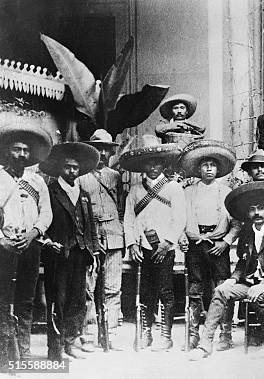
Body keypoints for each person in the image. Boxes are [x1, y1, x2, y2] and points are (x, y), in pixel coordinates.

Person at [188, 181, 264, 360]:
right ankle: (205, 344)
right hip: (251, 282)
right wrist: (233, 278)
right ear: (248, 213)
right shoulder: (247, 231)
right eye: (252, 209)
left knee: (257, 295)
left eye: (261, 208)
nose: (257, 213)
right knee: (220, 291)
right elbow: (242, 262)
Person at [121, 138, 186, 351]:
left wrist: (167, 243)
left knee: (165, 291)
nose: (153, 167)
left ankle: (166, 335)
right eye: (148, 163)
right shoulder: (135, 190)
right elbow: (129, 220)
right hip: (143, 249)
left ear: (163, 165)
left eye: (157, 163)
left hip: (165, 248)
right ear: (143, 166)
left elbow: (180, 218)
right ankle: (146, 332)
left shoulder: (174, 188)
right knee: (146, 291)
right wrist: (132, 245)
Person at [39, 142, 102, 361]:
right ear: (59, 168)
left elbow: (90, 226)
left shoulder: (83, 194)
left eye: (75, 167)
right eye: (67, 167)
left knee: (77, 300)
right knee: (57, 299)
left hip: (80, 254)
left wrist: (93, 251)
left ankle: (71, 341)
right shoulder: (50, 191)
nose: (72, 171)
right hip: (57, 254)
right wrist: (47, 242)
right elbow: (42, 220)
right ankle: (55, 349)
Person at [179, 139, 241, 350]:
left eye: (212, 165)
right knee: (195, 288)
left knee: (224, 287)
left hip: (218, 246)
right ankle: (193, 334)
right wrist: (184, 237)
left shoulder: (226, 193)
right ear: (198, 168)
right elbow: (179, 220)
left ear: (218, 169)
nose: (208, 169)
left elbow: (236, 224)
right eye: (204, 165)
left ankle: (225, 334)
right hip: (196, 245)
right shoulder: (187, 192)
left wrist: (225, 242)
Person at [0, 123, 52, 371]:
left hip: (30, 245)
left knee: (26, 299)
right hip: (3, 245)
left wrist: (33, 234)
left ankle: (24, 350)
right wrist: (2, 239)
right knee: (1, 299)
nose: (21, 154)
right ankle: (4, 352)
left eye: (25, 150)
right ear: (7, 151)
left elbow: (46, 214)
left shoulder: (37, 181)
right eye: (16, 149)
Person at [78, 129, 125, 351]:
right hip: (90, 236)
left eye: (106, 149)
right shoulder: (80, 176)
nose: (103, 153)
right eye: (98, 149)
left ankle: (111, 332)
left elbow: (122, 206)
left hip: (114, 236)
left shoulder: (115, 176)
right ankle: (88, 332)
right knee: (88, 286)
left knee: (113, 287)